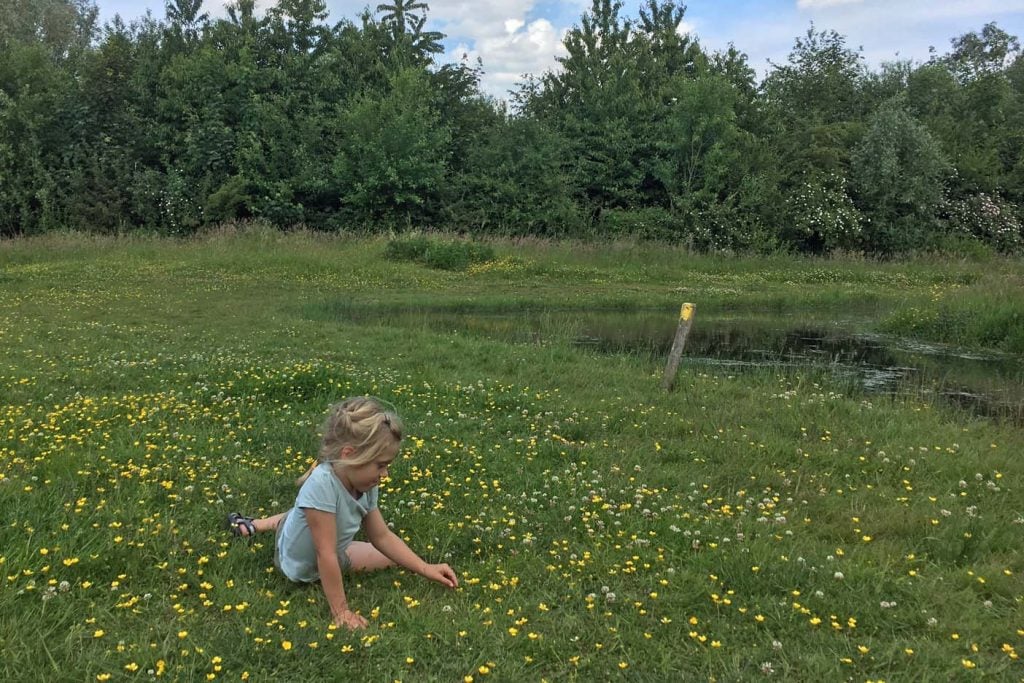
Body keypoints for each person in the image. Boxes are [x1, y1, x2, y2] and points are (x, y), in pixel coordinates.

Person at [225, 397, 458, 630]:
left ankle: (284, 517)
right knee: (298, 519)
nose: (385, 474)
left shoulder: (366, 484)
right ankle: (258, 524)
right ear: (349, 454)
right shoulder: (322, 484)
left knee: (391, 558)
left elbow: (381, 536)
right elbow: (324, 553)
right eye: (380, 465)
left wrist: (426, 568)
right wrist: (341, 612)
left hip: (335, 550)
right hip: (298, 563)